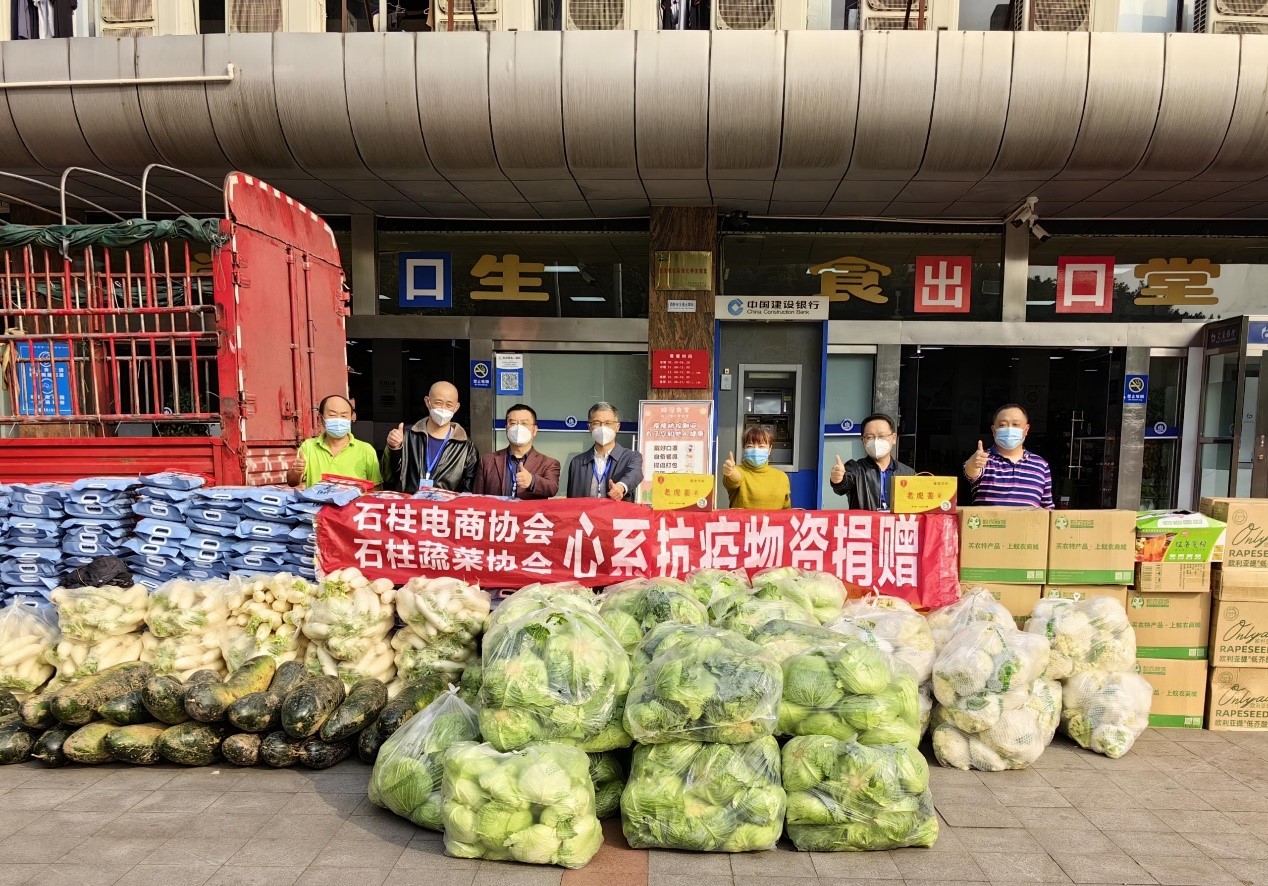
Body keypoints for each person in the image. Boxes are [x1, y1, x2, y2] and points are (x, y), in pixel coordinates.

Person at [381, 380, 479, 493]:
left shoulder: (466, 447)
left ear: (456, 407)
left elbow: (468, 489)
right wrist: (394, 448)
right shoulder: (407, 436)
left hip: (445, 504)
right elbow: (388, 477)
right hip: (411, 503)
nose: (443, 408)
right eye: (438, 403)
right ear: (427, 402)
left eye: (449, 405)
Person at [963, 403, 1054, 509]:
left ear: (1026, 430)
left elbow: (1047, 508)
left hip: (1028, 521)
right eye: (1002, 425)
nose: (1009, 429)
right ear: (993, 430)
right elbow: (971, 471)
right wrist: (972, 464)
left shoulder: (1041, 465)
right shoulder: (983, 460)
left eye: (1015, 424)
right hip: (989, 520)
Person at [286, 394, 382, 490]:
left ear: (351, 418)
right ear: (321, 418)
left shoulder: (366, 450)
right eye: (332, 415)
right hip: (317, 500)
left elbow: (377, 487)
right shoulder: (308, 446)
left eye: (344, 415)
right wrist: (296, 471)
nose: (339, 420)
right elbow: (292, 482)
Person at [828, 412, 915, 511]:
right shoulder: (855, 469)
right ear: (863, 441)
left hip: (898, 521)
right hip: (865, 521)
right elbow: (843, 486)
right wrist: (839, 480)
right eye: (869, 437)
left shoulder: (908, 473)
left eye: (882, 436)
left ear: (894, 438)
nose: (876, 441)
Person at [472, 404, 561, 499]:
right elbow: (477, 498)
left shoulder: (549, 463)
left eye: (524, 423)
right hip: (498, 509)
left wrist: (532, 481)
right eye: (513, 423)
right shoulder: (487, 461)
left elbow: (552, 488)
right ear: (506, 428)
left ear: (534, 430)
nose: (518, 428)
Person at [565, 402, 643, 502]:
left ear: (617, 427)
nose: (602, 428)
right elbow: (571, 498)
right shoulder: (577, 462)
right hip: (586, 512)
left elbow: (635, 474)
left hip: (616, 512)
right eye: (596, 423)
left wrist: (621, 487)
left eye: (608, 423)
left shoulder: (631, 457)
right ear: (589, 427)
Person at [722, 425, 791, 510]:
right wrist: (731, 471)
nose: (755, 450)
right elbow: (735, 480)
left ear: (770, 449)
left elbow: (787, 510)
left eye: (761, 446)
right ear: (744, 449)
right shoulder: (739, 471)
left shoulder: (782, 477)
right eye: (750, 446)